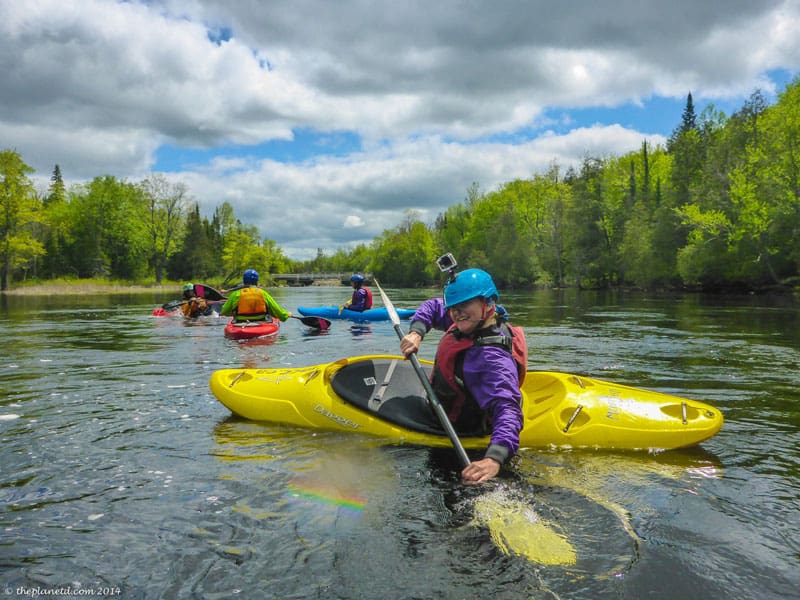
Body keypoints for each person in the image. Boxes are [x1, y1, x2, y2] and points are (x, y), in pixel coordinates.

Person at [399, 268, 527, 484]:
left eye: (464, 305)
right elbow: (433, 306)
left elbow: (507, 409)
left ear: (487, 303)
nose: (457, 313)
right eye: (453, 308)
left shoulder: (491, 359)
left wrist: (494, 458)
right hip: (463, 401)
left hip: (464, 426)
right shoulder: (473, 320)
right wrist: (416, 332)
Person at [220, 269, 292, 323]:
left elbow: (225, 311)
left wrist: (234, 313)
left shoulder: (236, 294)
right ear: (256, 281)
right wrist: (286, 314)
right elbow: (277, 310)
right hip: (261, 322)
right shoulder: (263, 293)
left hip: (240, 323)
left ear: (244, 280)